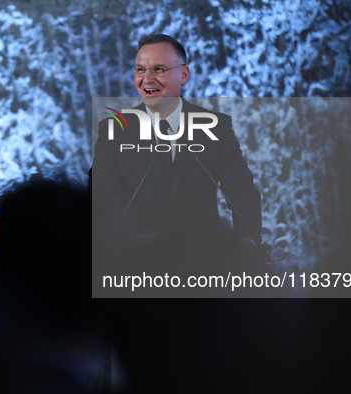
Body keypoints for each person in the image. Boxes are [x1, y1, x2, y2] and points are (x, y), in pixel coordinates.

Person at [91, 34, 266, 276]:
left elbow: (241, 191)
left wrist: (246, 243)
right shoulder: (114, 131)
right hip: (137, 270)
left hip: (204, 267)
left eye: (159, 69)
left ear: (183, 75)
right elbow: (99, 200)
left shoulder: (215, 127)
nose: (147, 79)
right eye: (140, 70)